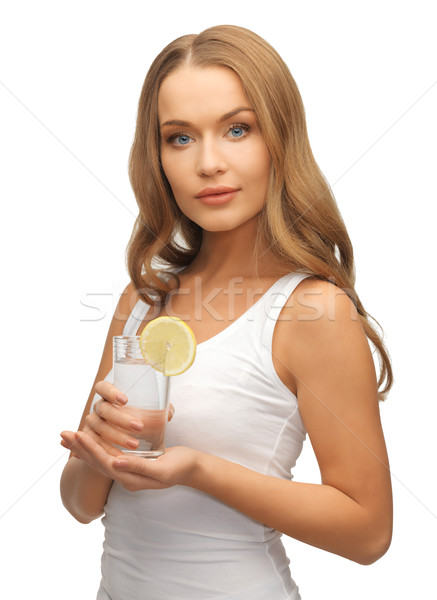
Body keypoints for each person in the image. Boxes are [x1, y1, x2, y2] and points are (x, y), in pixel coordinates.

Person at [60, 24, 393, 600]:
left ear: (279, 140)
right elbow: (81, 505)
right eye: (180, 138)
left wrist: (198, 470)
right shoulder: (143, 299)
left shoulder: (313, 310)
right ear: (157, 155)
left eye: (237, 130)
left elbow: (369, 533)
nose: (208, 163)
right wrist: (97, 446)